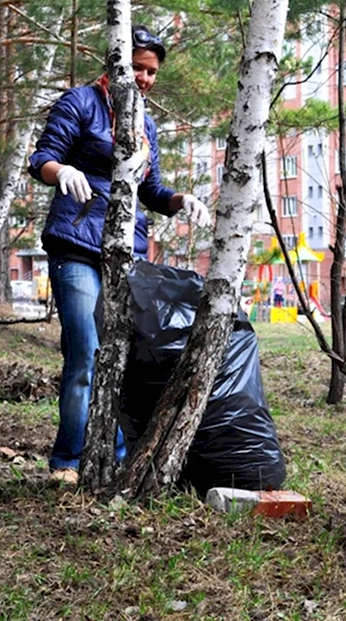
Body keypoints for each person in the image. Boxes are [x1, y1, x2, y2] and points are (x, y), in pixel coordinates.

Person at [28, 26, 212, 486]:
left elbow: (149, 189)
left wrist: (179, 200)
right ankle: (68, 462)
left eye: (151, 71)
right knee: (86, 353)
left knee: (121, 356)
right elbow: (42, 157)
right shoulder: (80, 102)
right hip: (76, 243)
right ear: (114, 62)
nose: (144, 78)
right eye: (136, 67)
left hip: (125, 250)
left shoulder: (144, 122)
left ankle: (118, 452)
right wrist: (61, 170)